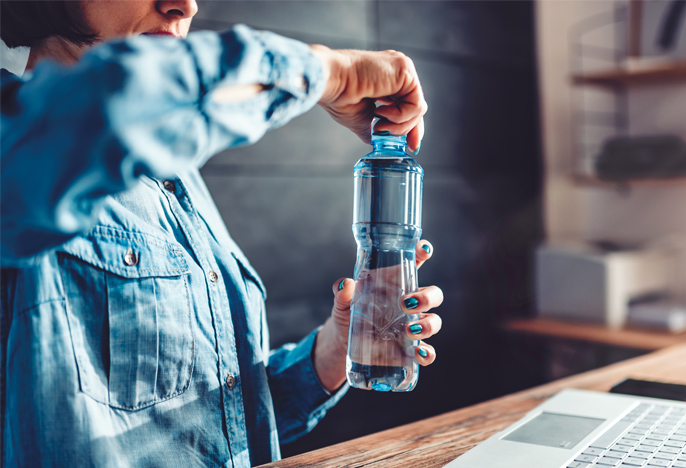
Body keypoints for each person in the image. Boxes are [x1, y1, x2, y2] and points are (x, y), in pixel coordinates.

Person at [0, 1, 443, 466]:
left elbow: (206, 420)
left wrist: (332, 352)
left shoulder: (177, 174)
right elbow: (112, 106)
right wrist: (331, 72)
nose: (185, 4)